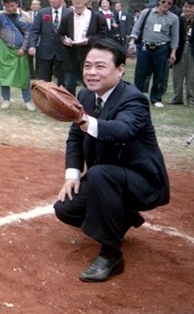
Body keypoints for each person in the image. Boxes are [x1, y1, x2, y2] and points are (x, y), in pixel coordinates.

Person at [53, 38, 169, 283]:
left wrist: (83, 120)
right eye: (87, 66)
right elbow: (75, 137)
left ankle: (111, 254)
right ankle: (124, 216)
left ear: (120, 70)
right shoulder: (85, 95)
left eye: (100, 66)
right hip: (109, 179)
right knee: (65, 209)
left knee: (100, 174)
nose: (91, 72)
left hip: (143, 181)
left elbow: (122, 129)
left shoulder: (133, 99)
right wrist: (72, 175)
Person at [127, 0, 179, 108]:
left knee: (159, 74)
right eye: (163, 2)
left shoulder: (174, 18)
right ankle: (137, 97)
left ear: (172, 5)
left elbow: (175, 36)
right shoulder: (147, 12)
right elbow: (137, 28)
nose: (165, 4)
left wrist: (173, 51)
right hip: (145, 47)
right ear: (159, 1)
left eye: (169, 3)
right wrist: (132, 41)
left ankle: (156, 98)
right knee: (140, 74)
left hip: (162, 48)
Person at [0, 0, 35, 110]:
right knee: (4, 75)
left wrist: (23, 48)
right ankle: (6, 99)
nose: (10, 8)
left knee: (24, 76)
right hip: (5, 49)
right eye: (7, 6)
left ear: (17, 4)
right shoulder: (0, 15)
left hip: (20, 50)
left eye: (12, 5)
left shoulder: (26, 17)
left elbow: (28, 34)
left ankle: (28, 100)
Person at [58, 0, 109, 95]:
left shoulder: (97, 17)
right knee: (69, 84)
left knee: (90, 84)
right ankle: (71, 108)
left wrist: (89, 40)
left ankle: (91, 107)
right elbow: (60, 34)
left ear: (87, 0)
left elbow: (103, 35)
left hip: (90, 52)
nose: (78, 0)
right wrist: (64, 40)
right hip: (71, 53)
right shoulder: (67, 17)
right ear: (71, 0)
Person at [28, 0, 71, 85]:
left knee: (63, 82)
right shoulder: (42, 13)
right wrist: (32, 45)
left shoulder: (69, 13)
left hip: (63, 52)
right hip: (45, 52)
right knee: (44, 82)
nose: (53, 0)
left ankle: (61, 99)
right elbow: (34, 31)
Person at [170, 0, 194, 106]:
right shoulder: (177, 20)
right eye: (185, 6)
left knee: (192, 76)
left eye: (190, 7)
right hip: (179, 49)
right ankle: (177, 98)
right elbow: (172, 37)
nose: (187, 9)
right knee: (177, 75)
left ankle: (191, 99)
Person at [27, 0, 42, 79]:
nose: (35, 6)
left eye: (37, 4)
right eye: (33, 4)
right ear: (31, 6)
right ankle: (30, 74)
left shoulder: (42, 14)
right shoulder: (26, 14)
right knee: (29, 58)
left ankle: (38, 74)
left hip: (40, 40)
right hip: (29, 40)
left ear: (40, 6)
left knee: (39, 58)